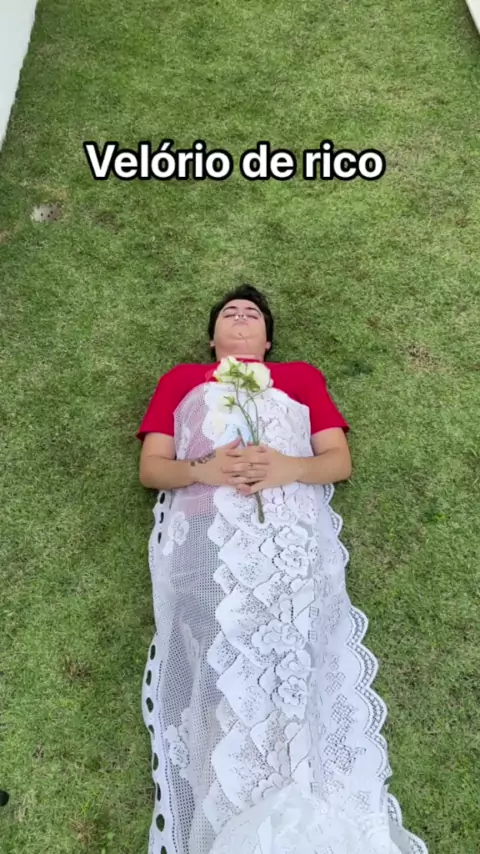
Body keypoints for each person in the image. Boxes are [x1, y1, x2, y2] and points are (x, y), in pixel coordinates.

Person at [136, 285, 428, 854]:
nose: (241, 318)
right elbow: (152, 469)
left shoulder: (299, 377)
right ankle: (230, 813)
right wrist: (203, 468)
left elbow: (337, 461)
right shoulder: (181, 380)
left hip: (290, 536)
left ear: (267, 341)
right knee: (221, 671)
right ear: (213, 340)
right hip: (206, 541)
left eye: (252, 315)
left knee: (294, 666)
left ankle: (303, 801)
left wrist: (287, 467)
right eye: (229, 314)